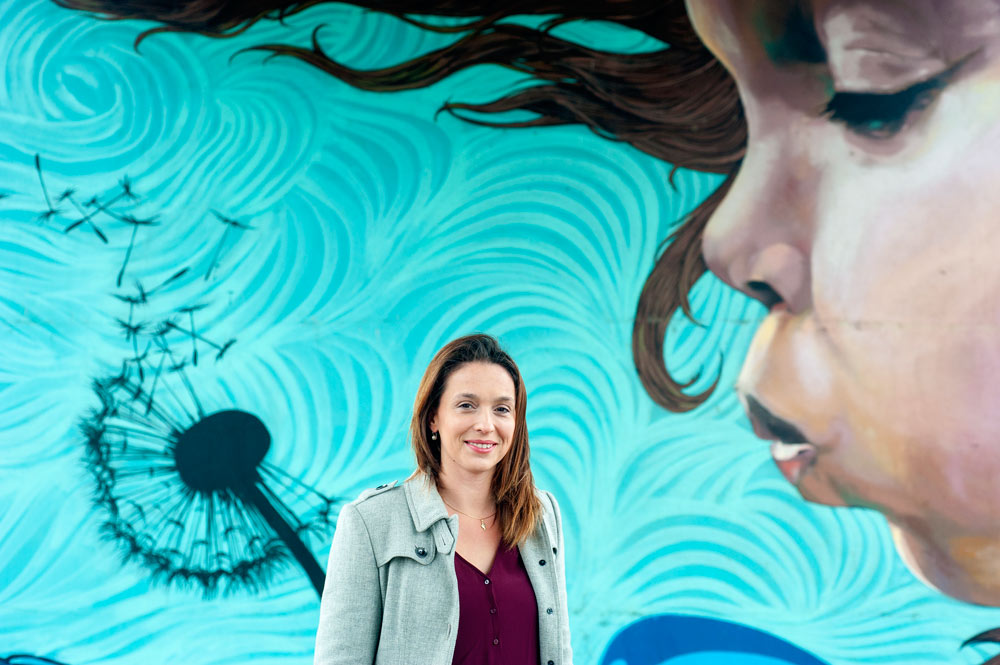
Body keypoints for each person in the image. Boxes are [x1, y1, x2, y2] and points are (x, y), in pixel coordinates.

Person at [53, 0, 1000, 609]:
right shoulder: (390, 533)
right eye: (468, 407)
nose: (729, 243)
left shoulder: (528, 538)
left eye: (873, 99)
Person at [314, 334, 572, 664]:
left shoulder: (542, 514)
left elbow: (559, 647)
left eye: (502, 409)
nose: (486, 425)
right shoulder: (371, 522)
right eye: (467, 405)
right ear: (433, 417)